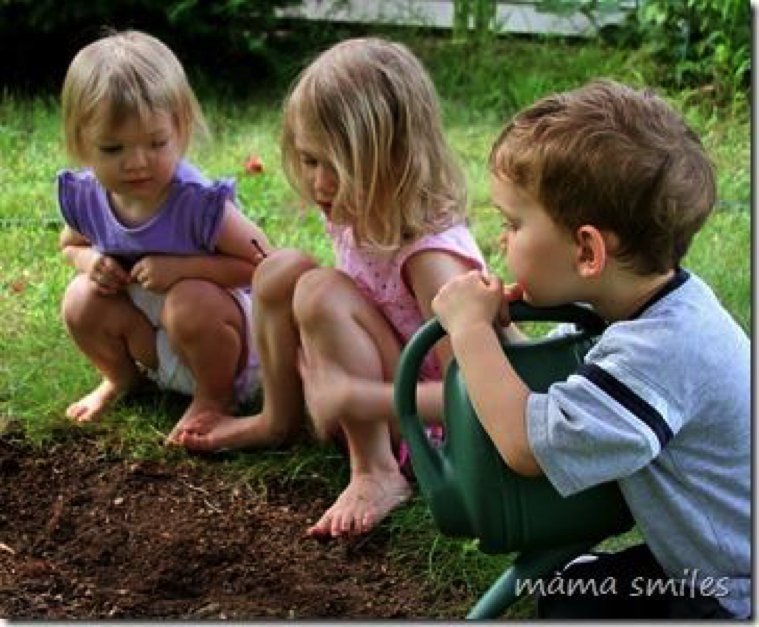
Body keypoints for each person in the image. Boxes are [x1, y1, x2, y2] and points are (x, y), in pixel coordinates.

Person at [431, 79, 750, 618]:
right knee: (564, 592)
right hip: (715, 560)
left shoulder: (659, 356)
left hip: (730, 592)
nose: (501, 240)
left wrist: (470, 333)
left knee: (573, 609)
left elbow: (527, 446)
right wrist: (503, 334)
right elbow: (555, 391)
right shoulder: (652, 308)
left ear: (587, 250)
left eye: (513, 223)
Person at [175, 37, 491, 537]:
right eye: (309, 160)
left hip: (431, 433)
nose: (320, 184)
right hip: (369, 393)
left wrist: (358, 396)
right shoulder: (359, 212)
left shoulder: (432, 259)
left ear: (395, 159)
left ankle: (377, 472)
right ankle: (275, 421)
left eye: (337, 168)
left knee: (320, 291)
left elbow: (479, 396)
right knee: (282, 271)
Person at [57, 29, 272, 441]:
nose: (137, 163)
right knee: (80, 298)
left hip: (223, 343)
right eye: (112, 149)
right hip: (153, 341)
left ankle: (215, 398)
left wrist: (183, 269)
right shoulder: (87, 198)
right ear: (81, 143)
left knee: (189, 301)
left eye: (156, 143)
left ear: (181, 128)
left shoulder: (197, 203)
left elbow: (264, 265)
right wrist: (90, 262)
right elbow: (71, 245)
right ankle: (124, 379)